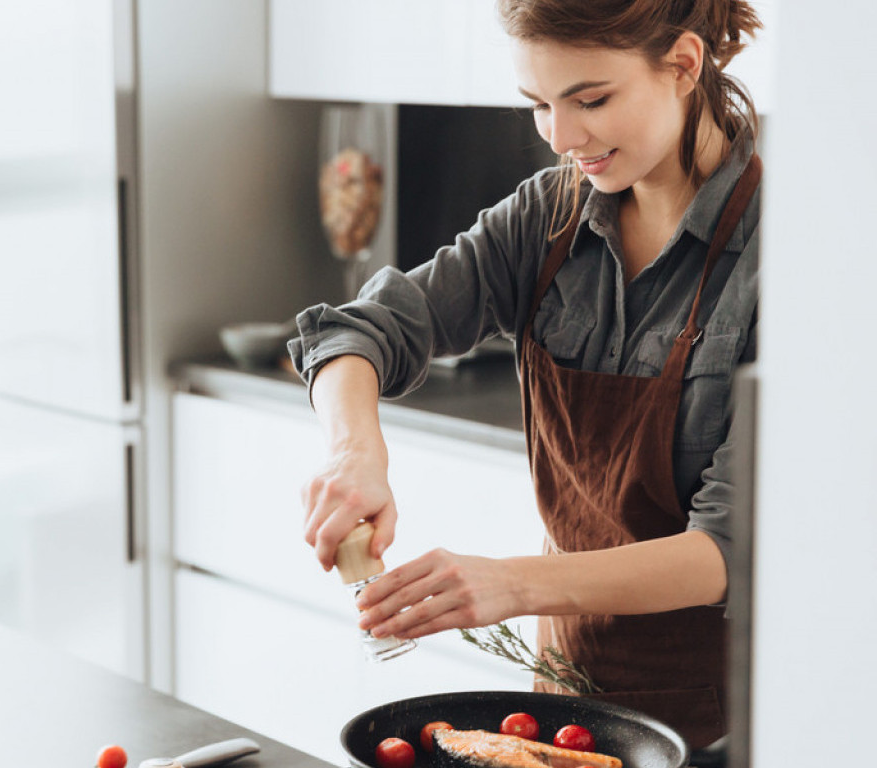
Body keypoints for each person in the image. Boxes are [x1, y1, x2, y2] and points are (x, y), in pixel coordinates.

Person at [288, 0, 763, 747]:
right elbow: (359, 329)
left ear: (682, 64)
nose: (562, 138)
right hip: (566, 699)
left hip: (730, 725)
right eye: (540, 104)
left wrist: (510, 584)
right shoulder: (549, 217)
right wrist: (354, 452)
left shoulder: (785, 250)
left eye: (590, 100)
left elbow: (731, 548)